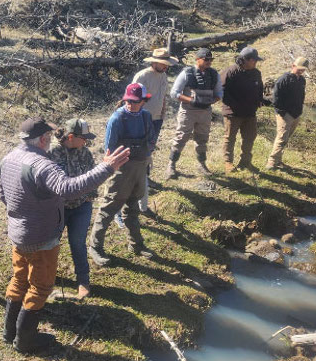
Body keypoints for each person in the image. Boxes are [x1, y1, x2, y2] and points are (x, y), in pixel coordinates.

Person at [0, 117, 129, 353]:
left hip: (18, 233)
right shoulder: (42, 164)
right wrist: (107, 168)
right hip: (41, 237)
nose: (50, 140)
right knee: (40, 287)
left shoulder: (7, 159)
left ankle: (9, 332)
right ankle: (25, 341)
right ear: (42, 139)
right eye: (47, 137)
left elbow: (3, 195)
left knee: (19, 279)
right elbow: (68, 189)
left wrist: (22, 216)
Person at [88, 83, 155, 267]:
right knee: (108, 208)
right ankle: (95, 247)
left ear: (143, 101)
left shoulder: (146, 116)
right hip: (121, 170)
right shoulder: (117, 119)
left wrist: (145, 156)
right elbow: (108, 149)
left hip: (140, 168)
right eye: (129, 101)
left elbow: (151, 141)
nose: (131, 105)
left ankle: (136, 245)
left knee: (133, 208)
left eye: (136, 102)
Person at [48, 119, 99, 300]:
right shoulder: (51, 152)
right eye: (84, 138)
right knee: (50, 243)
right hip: (57, 209)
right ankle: (46, 277)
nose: (86, 142)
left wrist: (89, 196)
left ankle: (83, 280)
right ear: (71, 137)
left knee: (78, 243)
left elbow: (92, 175)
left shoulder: (85, 153)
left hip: (81, 207)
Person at [166, 48, 223, 179]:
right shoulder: (187, 73)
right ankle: (171, 166)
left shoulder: (214, 74)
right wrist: (191, 100)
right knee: (180, 137)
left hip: (205, 112)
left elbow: (219, 93)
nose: (209, 62)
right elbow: (174, 93)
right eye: (206, 59)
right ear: (198, 59)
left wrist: (210, 101)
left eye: (211, 59)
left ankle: (202, 165)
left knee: (202, 139)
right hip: (188, 112)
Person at [133, 48, 177, 211]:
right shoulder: (142, 76)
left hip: (157, 119)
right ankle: (138, 181)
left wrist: (163, 112)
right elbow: (132, 98)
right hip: (142, 119)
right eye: (163, 64)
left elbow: (163, 96)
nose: (166, 67)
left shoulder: (163, 75)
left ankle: (146, 177)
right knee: (140, 149)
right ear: (154, 62)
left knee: (149, 150)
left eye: (167, 64)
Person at [220, 46, 266, 173]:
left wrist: (259, 100)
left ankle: (245, 162)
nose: (256, 63)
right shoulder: (230, 71)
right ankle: (228, 162)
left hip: (250, 112)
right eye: (254, 60)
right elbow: (220, 90)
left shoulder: (256, 73)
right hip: (232, 113)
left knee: (250, 137)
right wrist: (233, 104)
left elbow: (260, 88)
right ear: (245, 59)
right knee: (230, 137)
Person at [267, 57, 308, 170]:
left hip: (296, 114)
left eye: (303, 69)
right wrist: (282, 113)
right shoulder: (283, 79)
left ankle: (278, 161)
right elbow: (276, 99)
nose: (301, 71)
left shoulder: (302, 80)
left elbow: (301, 96)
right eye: (299, 69)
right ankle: (271, 162)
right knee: (281, 138)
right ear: (293, 66)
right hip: (285, 114)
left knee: (286, 138)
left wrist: (299, 111)